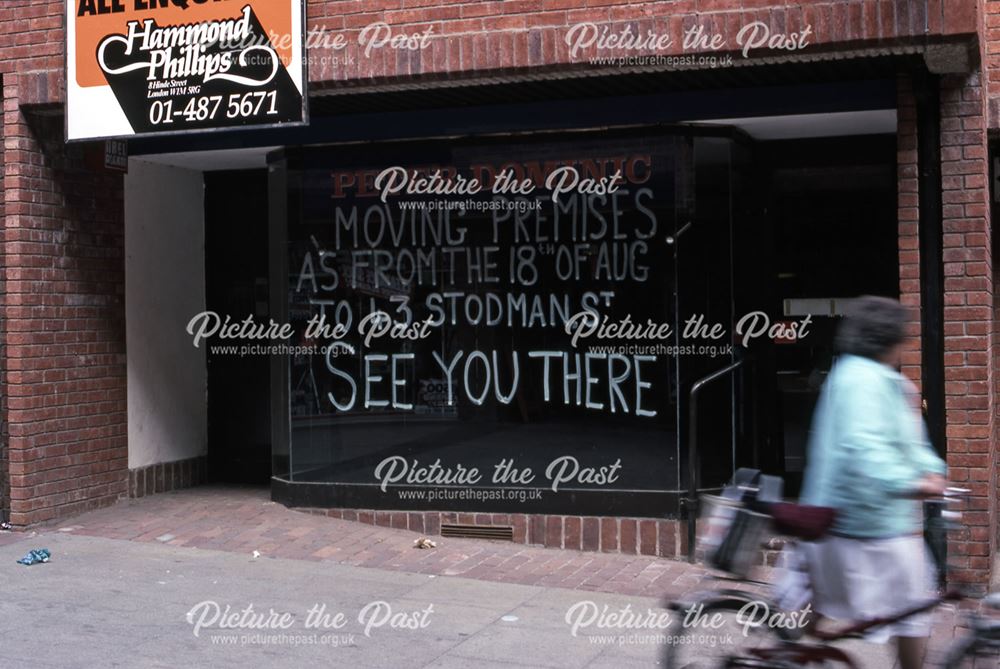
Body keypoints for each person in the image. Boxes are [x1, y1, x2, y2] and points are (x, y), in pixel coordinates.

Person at [799, 295, 946, 669]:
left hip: (867, 520)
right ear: (887, 338)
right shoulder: (860, 381)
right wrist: (913, 484)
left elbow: (910, 442)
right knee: (912, 610)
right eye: (903, 337)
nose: (905, 345)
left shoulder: (884, 381)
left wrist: (933, 471)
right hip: (860, 525)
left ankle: (791, 651)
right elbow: (864, 449)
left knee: (831, 609)